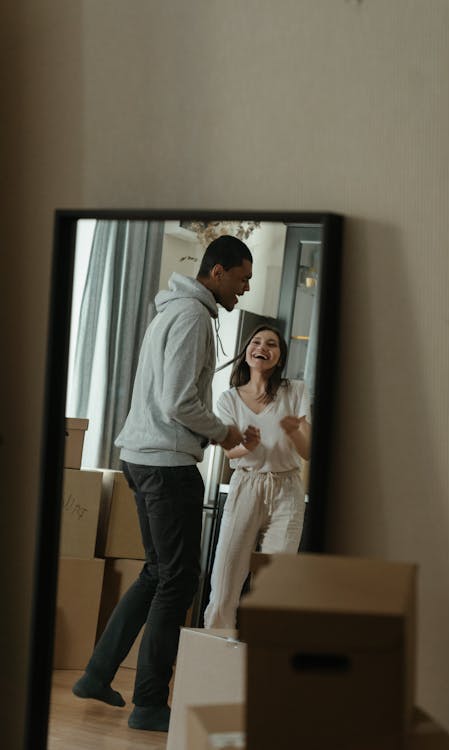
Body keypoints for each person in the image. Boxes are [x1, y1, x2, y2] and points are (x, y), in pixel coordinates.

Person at [72, 235, 253, 732]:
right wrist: (224, 432)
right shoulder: (193, 317)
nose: (245, 289)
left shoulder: (173, 311)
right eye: (241, 279)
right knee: (178, 580)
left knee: (158, 573)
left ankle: (96, 674)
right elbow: (178, 401)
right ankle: (149, 703)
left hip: (142, 457)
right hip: (167, 463)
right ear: (216, 272)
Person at [203, 324, 311, 629]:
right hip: (246, 485)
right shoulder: (229, 398)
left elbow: (307, 451)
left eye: (272, 344)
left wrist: (293, 431)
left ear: (279, 357)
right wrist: (246, 445)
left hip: (287, 488)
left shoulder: (295, 391)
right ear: (247, 352)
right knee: (225, 579)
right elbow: (229, 451)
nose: (263, 347)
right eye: (257, 342)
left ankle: (263, 659)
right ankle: (213, 660)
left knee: (276, 583)